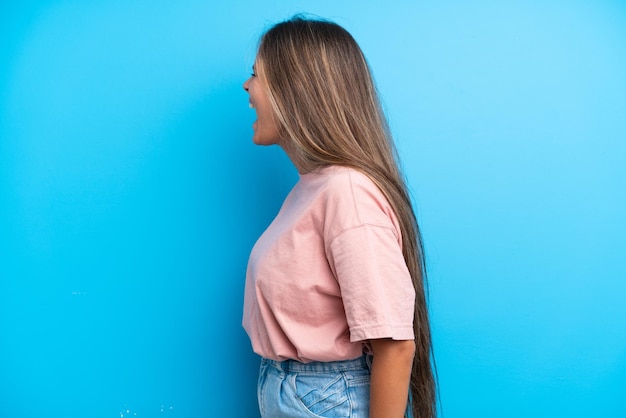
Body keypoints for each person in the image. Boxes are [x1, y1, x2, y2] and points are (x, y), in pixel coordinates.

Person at [242, 16, 436, 418]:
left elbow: (396, 346)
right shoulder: (311, 188)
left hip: (322, 396)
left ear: (296, 89)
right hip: (297, 389)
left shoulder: (346, 192)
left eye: (257, 75)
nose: (247, 86)